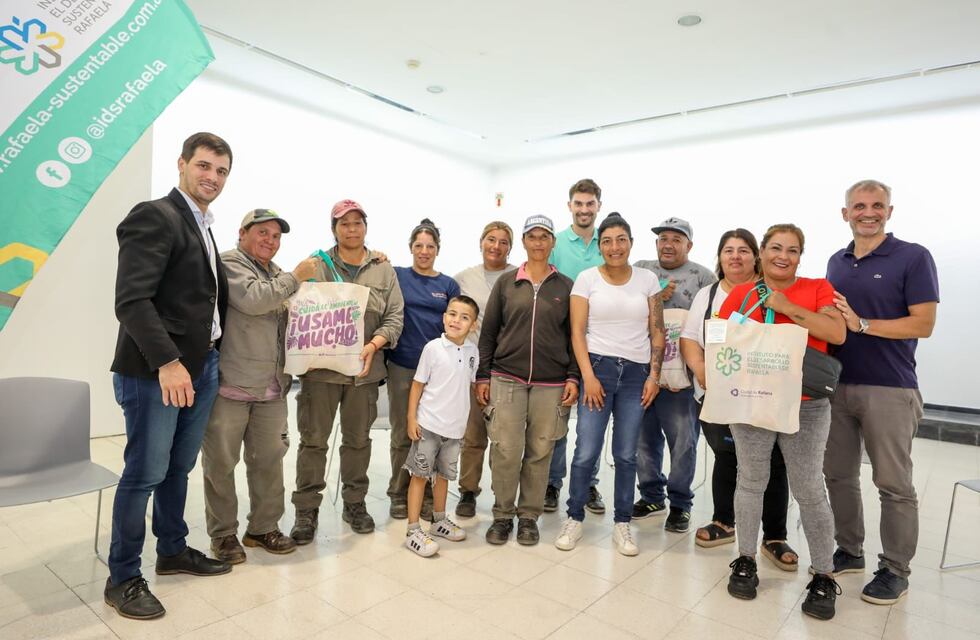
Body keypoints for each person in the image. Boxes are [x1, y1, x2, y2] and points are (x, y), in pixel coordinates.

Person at [105, 132, 233, 620]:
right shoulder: (155, 215)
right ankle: (122, 577)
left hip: (201, 367)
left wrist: (209, 358)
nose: (212, 178)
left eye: (221, 171)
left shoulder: (203, 223)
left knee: (178, 468)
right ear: (182, 164)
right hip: (157, 372)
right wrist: (168, 362)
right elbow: (131, 300)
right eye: (204, 166)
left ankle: (173, 550)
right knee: (143, 474)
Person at [719, 223, 846, 621]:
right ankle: (744, 560)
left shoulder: (818, 288)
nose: (783, 256)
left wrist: (788, 306)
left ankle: (824, 574)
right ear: (763, 253)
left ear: (800, 256)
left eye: (792, 250)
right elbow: (721, 341)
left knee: (809, 488)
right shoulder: (741, 293)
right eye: (775, 248)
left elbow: (836, 333)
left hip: (805, 403)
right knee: (751, 480)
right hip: (753, 400)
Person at [825, 180, 939, 605]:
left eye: (877, 205)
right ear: (845, 213)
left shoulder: (913, 257)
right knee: (837, 474)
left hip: (889, 389)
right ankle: (850, 550)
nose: (867, 212)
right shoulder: (836, 262)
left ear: (889, 211)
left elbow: (923, 324)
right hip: (836, 386)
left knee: (893, 483)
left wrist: (864, 324)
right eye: (859, 205)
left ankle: (895, 569)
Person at [201, 209, 319, 564]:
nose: (270, 240)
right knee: (220, 464)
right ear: (242, 233)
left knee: (269, 461)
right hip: (232, 387)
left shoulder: (278, 275)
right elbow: (254, 299)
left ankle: (262, 528)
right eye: (263, 233)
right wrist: (296, 277)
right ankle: (223, 535)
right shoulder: (229, 263)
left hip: (273, 388)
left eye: (276, 235)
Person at [679, 229, 798, 570]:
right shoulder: (708, 294)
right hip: (717, 395)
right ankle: (723, 522)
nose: (735, 257)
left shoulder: (772, 294)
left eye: (743, 250)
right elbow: (690, 337)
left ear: (756, 256)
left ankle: (774, 536)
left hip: (765, 397)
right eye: (728, 250)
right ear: (719, 257)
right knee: (727, 456)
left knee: (774, 464)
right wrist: (701, 370)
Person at [290, 199, 404, 539]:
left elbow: (395, 316)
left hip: (363, 375)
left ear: (366, 227)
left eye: (357, 223)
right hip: (320, 374)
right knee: (313, 443)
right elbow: (297, 311)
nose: (351, 229)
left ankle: (355, 503)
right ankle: (306, 511)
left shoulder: (383, 269)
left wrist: (374, 344)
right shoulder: (316, 265)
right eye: (344, 224)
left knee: (357, 442)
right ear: (334, 229)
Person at [555, 213, 665, 556]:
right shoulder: (587, 279)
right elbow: (576, 332)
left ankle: (622, 523)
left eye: (620, 240)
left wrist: (654, 376)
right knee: (585, 450)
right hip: (597, 371)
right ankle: (573, 517)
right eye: (606, 241)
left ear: (630, 243)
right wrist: (587, 376)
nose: (614, 247)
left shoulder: (647, 279)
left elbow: (657, 330)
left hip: (636, 375)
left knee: (626, 453)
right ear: (599, 245)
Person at [477, 214, 579, 546]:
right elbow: (489, 333)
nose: (538, 242)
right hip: (506, 378)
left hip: (551, 383)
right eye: (532, 236)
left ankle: (529, 516)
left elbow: (576, 337)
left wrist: (573, 377)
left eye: (544, 236)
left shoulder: (566, 286)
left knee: (540, 450)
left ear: (553, 242)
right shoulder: (507, 283)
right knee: (506, 448)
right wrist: (483, 375)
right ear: (523, 241)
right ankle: (503, 515)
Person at [633, 217, 716, 532]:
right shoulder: (641, 270)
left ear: (689, 245)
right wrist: (655, 303)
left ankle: (680, 504)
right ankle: (651, 496)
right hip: (641, 373)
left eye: (676, 239)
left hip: (681, 379)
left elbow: (711, 323)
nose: (668, 244)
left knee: (683, 441)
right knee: (642, 439)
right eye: (662, 238)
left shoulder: (704, 278)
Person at [386, 219, 460, 520]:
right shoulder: (397, 275)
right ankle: (398, 493)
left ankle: (427, 496)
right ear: (411, 248)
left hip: (438, 374)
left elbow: (457, 324)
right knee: (404, 432)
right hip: (403, 365)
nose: (424, 251)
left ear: (438, 250)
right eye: (419, 246)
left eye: (430, 246)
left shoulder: (448, 285)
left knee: (433, 435)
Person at [546, 178, 607, 515]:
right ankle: (553, 483)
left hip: (599, 345)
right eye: (578, 204)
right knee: (558, 418)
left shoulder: (609, 242)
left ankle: (589, 484)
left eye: (590, 204)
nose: (584, 210)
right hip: (560, 341)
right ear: (569, 206)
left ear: (598, 205)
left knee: (592, 421)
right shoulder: (555, 243)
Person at [403, 296, 481, 556]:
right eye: (452, 314)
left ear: (473, 325)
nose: (456, 320)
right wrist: (411, 418)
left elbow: (466, 387)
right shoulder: (433, 348)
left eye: (464, 317)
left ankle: (438, 521)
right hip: (428, 425)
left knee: (444, 477)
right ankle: (413, 529)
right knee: (420, 476)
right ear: (444, 317)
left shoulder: (472, 352)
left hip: (454, 430)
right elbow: (417, 384)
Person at [454, 222, 517, 518]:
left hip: (507, 370)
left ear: (511, 247)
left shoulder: (519, 276)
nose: (496, 246)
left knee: (504, 440)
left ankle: (502, 496)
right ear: (481, 242)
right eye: (491, 239)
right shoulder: (464, 279)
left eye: (503, 242)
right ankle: (468, 491)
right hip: (471, 369)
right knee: (473, 436)